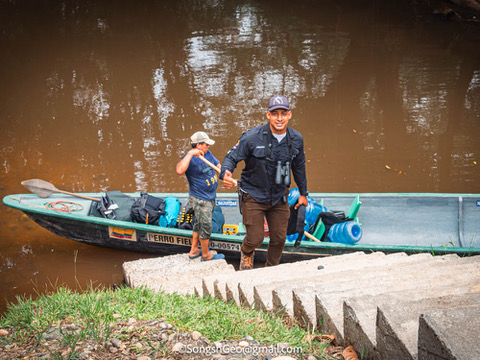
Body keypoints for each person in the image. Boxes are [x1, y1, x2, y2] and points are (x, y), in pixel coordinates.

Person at [221, 95, 308, 269]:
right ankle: (246, 252)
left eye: (283, 113)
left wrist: (304, 194)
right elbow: (231, 157)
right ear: (268, 115)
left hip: (279, 197)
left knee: (279, 238)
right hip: (253, 195)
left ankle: (271, 269)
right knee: (255, 238)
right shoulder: (251, 137)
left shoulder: (296, 139)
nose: (279, 118)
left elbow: (299, 167)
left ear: (290, 115)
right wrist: (226, 172)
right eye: (275, 114)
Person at [176, 131, 225, 261]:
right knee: (205, 227)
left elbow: (217, 165)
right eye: (206, 144)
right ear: (198, 145)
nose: (208, 146)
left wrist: (225, 176)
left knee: (198, 224)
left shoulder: (207, 153)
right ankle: (206, 255)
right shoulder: (190, 158)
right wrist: (191, 153)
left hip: (210, 196)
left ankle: (194, 250)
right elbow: (179, 170)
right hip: (201, 199)